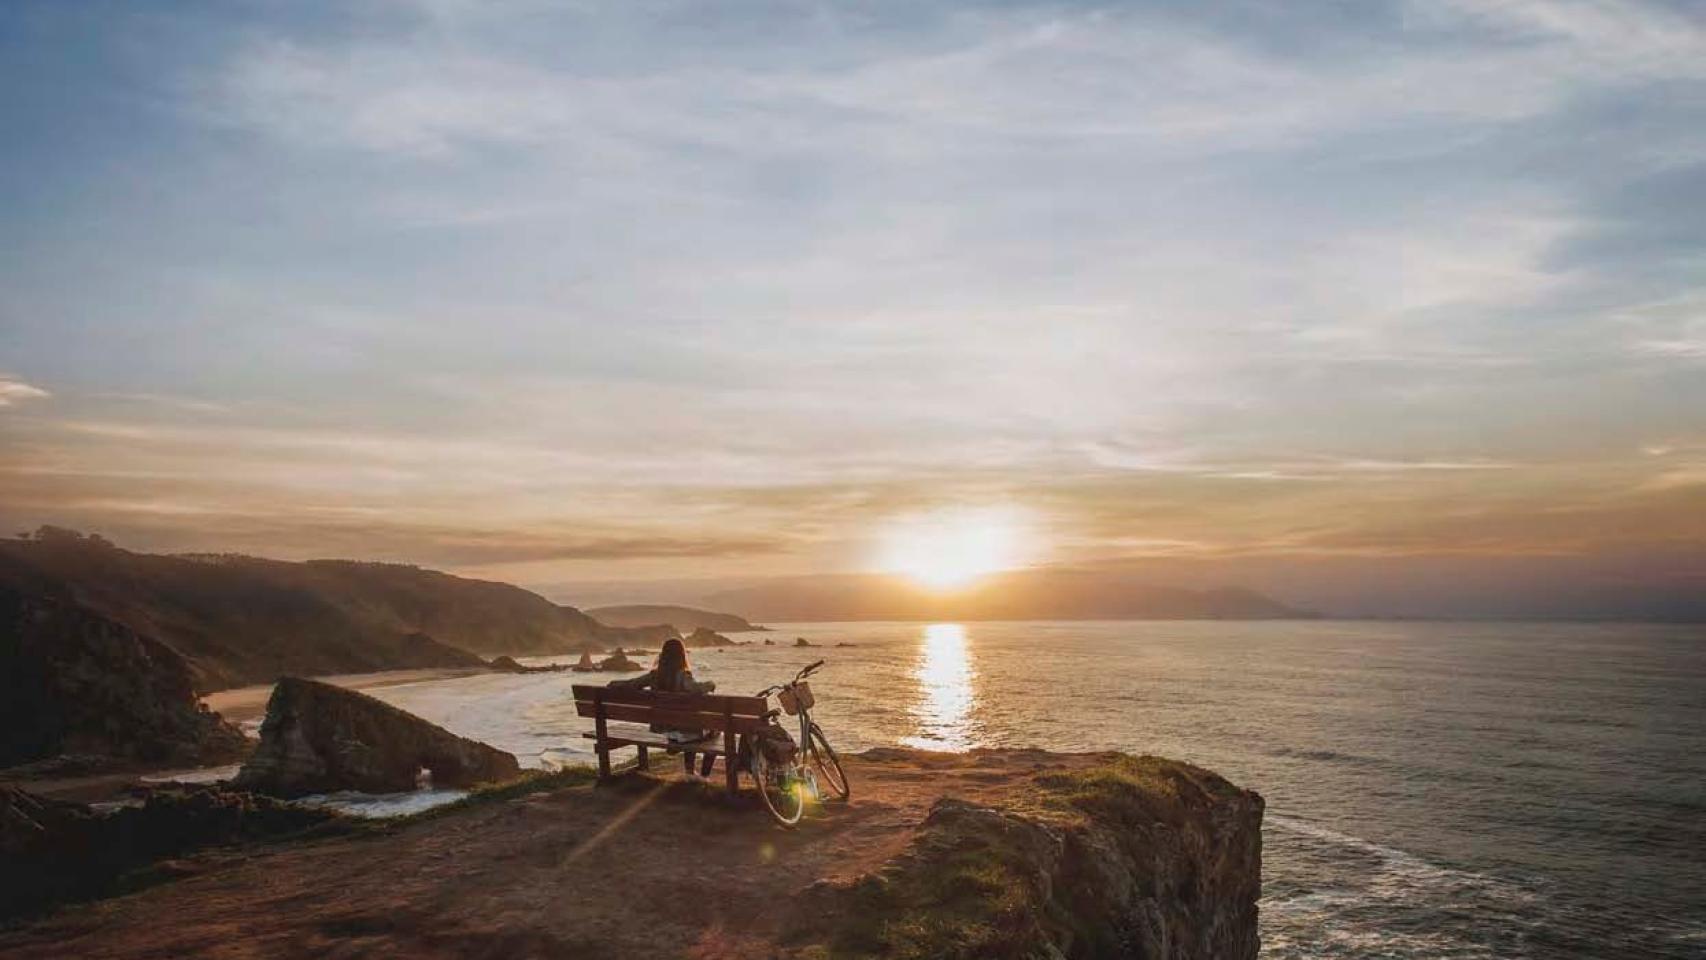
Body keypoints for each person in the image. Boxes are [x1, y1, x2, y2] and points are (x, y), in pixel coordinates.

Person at [608, 637, 719, 777]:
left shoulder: (654, 676)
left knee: (688, 728)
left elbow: (632, 684)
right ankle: (699, 776)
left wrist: (614, 684)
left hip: (663, 728)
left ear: (663, 655)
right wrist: (711, 684)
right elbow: (695, 688)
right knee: (714, 732)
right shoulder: (683, 676)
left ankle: (679, 749)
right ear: (682, 655)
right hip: (686, 731)